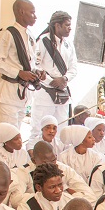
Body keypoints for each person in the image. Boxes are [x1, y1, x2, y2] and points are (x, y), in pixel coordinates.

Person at [0, 0, 42, 128]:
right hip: (8, 94)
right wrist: (18, 73)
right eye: (32, 13)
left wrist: (37, 71)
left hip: (23, 95)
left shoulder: (30, 35)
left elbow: (30, 62)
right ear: (21, 12)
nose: (35, 17)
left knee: (16, 134)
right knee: (7, 134)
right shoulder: (7, 34)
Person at [30, 11, 77, 141]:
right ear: (57, 25)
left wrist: (64, 79)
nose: (70, 28)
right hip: (45, 92)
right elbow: (35, 65)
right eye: (67, 25)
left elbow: (74, 67)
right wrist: (51, 81)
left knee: (61, 131)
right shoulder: (43, 41)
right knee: (39, 129)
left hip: (62, 93)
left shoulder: (69, 44)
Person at [15, 140, 96, 203]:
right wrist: (46, 197)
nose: (51, 165)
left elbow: (90, 196)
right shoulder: (23, 172)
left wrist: (62, 199)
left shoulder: (63, 168)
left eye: (53, 160)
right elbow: (15, 200)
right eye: (45, 162)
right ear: (34, 161)